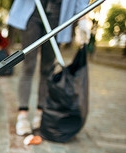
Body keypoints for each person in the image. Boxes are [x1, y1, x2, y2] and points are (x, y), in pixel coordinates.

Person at [7, 0, 89, 135]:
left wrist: (83, 18)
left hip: (58, 12)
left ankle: (41, 112)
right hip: (33, 9)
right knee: (28, 65)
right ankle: (23, 114)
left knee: (47, 68)